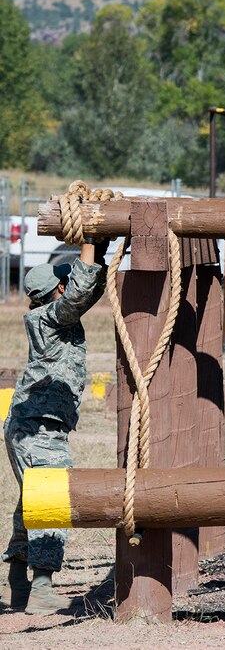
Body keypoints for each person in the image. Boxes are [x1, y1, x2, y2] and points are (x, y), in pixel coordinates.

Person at [3, 237, 108, 614]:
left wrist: (103, 247)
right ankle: (42, 588)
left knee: (31, 500)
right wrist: (88, 241)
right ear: (57, 291)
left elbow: (89, 288)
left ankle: (18, 582)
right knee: (51, 499)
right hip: (39, 429)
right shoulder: (49, 318)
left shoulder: (56, 315)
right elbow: (81, 292)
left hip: (28, 426)